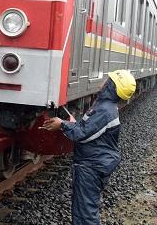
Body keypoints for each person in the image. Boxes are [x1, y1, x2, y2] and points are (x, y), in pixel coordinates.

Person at [41, 69, 136, 225]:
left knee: (85, 215)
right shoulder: (105, 106)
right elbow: (87, 129)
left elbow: (82, 134)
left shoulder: (105, 110)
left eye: (108, 80)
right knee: (83, 211)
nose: (104, 82)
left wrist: (62, 125)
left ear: (111, 86)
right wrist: (73, 124)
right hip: (94, 163)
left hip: (91, 166)